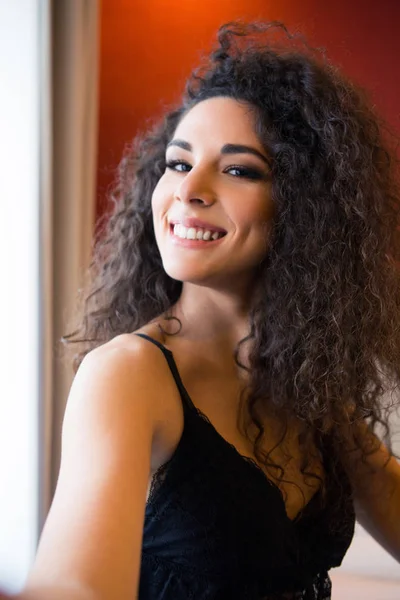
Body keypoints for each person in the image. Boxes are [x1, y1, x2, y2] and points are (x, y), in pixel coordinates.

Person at [6, 19, 400, 600]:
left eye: (239, 169)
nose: (188, 190)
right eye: (178, 163)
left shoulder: (313, 390)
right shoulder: (129, 375)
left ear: (307, 210)